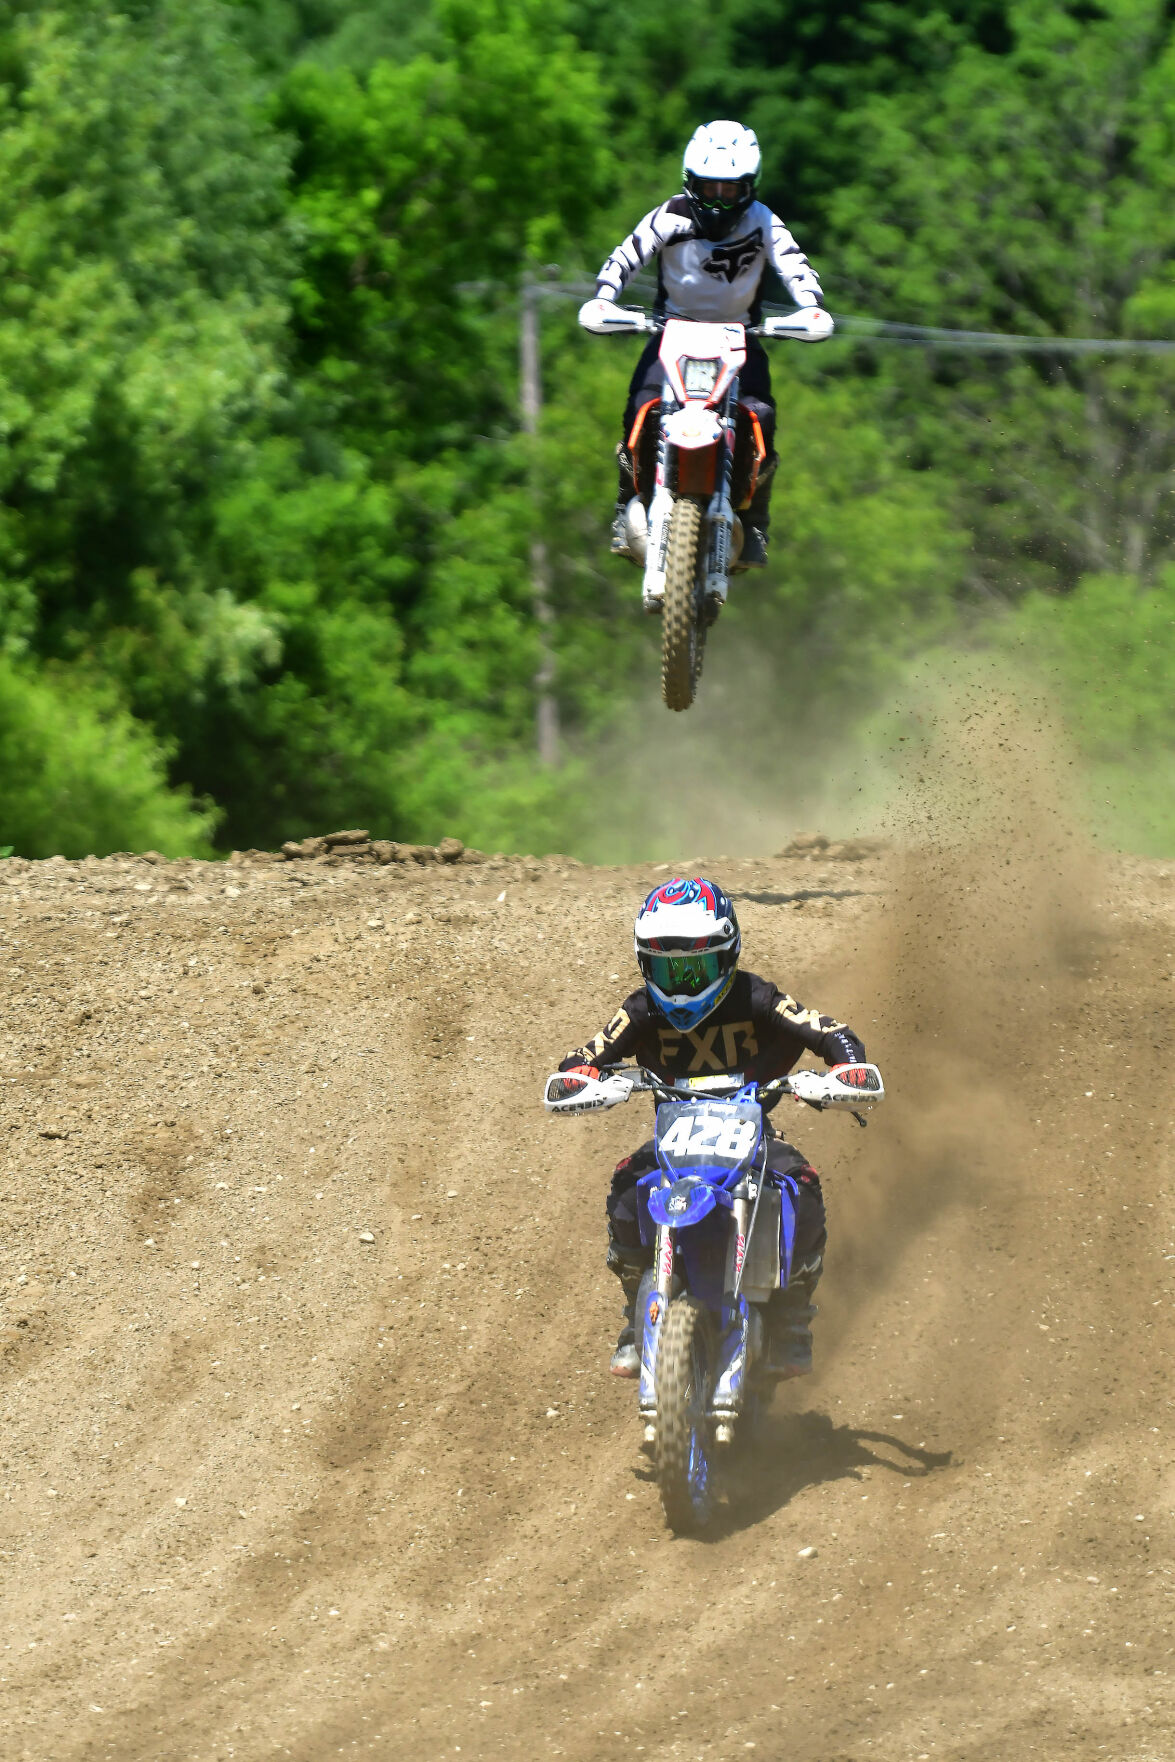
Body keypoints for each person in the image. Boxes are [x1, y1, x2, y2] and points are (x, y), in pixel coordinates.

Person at [557, 877, 866, 1378]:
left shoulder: (756, 997)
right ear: (644, 963)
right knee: (626, 1185)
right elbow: (588, 1054)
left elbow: (830, 1032)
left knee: (802, 1186)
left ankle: (791, 1318)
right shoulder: (641, 1009)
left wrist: (846, 1069)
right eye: (664, 968)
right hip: (675, 1137)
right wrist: (577, 1077)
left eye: (694, 967)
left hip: (750, 1131)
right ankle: (639, 1318)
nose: (680, 984)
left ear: (726, 956)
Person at [578, 120, 827, 571]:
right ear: (689, 182)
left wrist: (811, 306)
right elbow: (625, 256)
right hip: (671, 332)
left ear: (748, 189)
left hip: (741, 338)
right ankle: (625, 507)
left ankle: (753, 523)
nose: (717, 200)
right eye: (707, 187)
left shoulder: (763, 221)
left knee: (762, 418)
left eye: (729, 191)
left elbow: (795, 265)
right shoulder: (667, 216)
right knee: (641, 407)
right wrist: (603, 299)